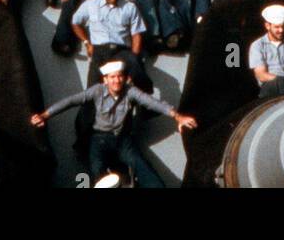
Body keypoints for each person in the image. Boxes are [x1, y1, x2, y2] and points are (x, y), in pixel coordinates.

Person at [31, 59, 196, 188]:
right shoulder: (97, 91)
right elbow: (70, 101)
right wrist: (45, 115)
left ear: (124, 78)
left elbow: (152, 102)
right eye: (112, 77)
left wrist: (177, 116)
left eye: (119, 76)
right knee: (97, 171)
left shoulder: (130, 91)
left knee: (143, 169)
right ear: (105, 80)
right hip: (99, 139)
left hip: (122, 140)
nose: (116, 80)